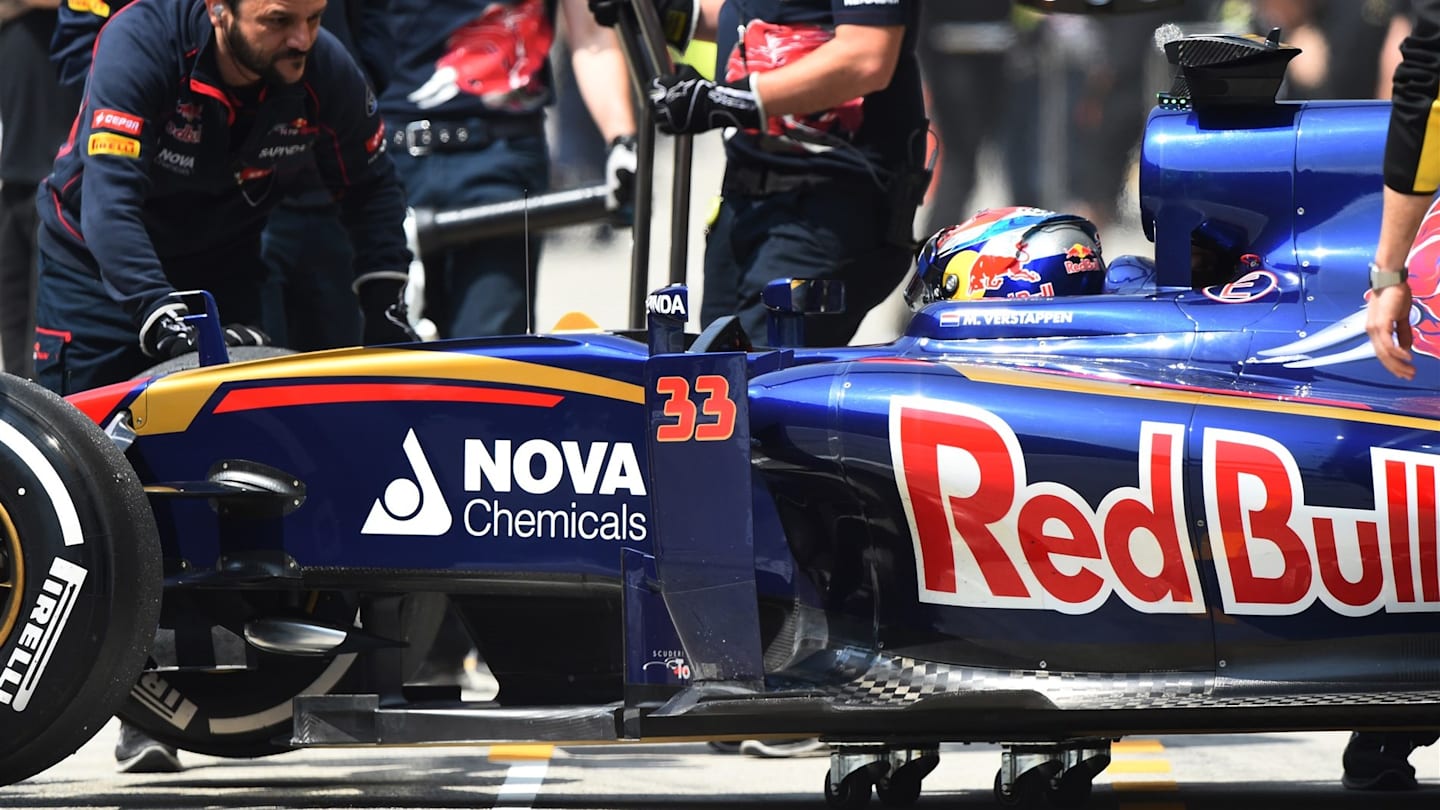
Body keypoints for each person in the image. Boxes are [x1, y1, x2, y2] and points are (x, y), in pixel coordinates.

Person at [33, 0, 413, 398]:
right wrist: (158, 311)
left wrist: (385, 306)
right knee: (91, 448)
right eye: (278, 21)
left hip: (223, 272)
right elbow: (109, 201)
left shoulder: (325, 65)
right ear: (218, 9)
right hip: (94, 277)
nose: (302, 39)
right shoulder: (140, 42)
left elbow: (372, 188)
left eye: (314, 18)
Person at [596, 0, 929, 348]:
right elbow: (756, 12)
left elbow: (866, 58)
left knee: (758, 376)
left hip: (828, 206)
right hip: (745, 202)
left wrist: (727, 101)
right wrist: (668, 12)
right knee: (713, 368)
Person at [380, 0, 637, 339]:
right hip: (380, 155)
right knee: (378, 364)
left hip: (501, 156)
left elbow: (593, 36)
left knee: (487, 362)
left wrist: (623, 140)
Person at [0, 0, 80, 380]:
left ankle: (42, 425)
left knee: (41, 330)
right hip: (14, 177)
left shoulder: (81, 20)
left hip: (59, 186)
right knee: (12, 323)